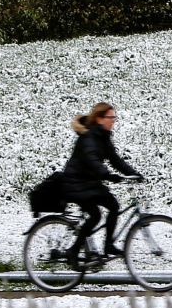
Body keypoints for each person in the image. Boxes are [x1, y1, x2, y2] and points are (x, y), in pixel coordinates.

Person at [60, 102, 141, 263]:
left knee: (113, 206)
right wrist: (108, 175)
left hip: (89, 183)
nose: (113, 120)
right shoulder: (89, 137)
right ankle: (73, 250)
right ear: (99, 119)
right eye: (110, 117)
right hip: (76, 183)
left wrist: (133, 173)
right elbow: (92, 160)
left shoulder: (103, 137)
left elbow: (115, 160)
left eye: (114, 117)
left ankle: (108, 245)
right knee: (95, 215)